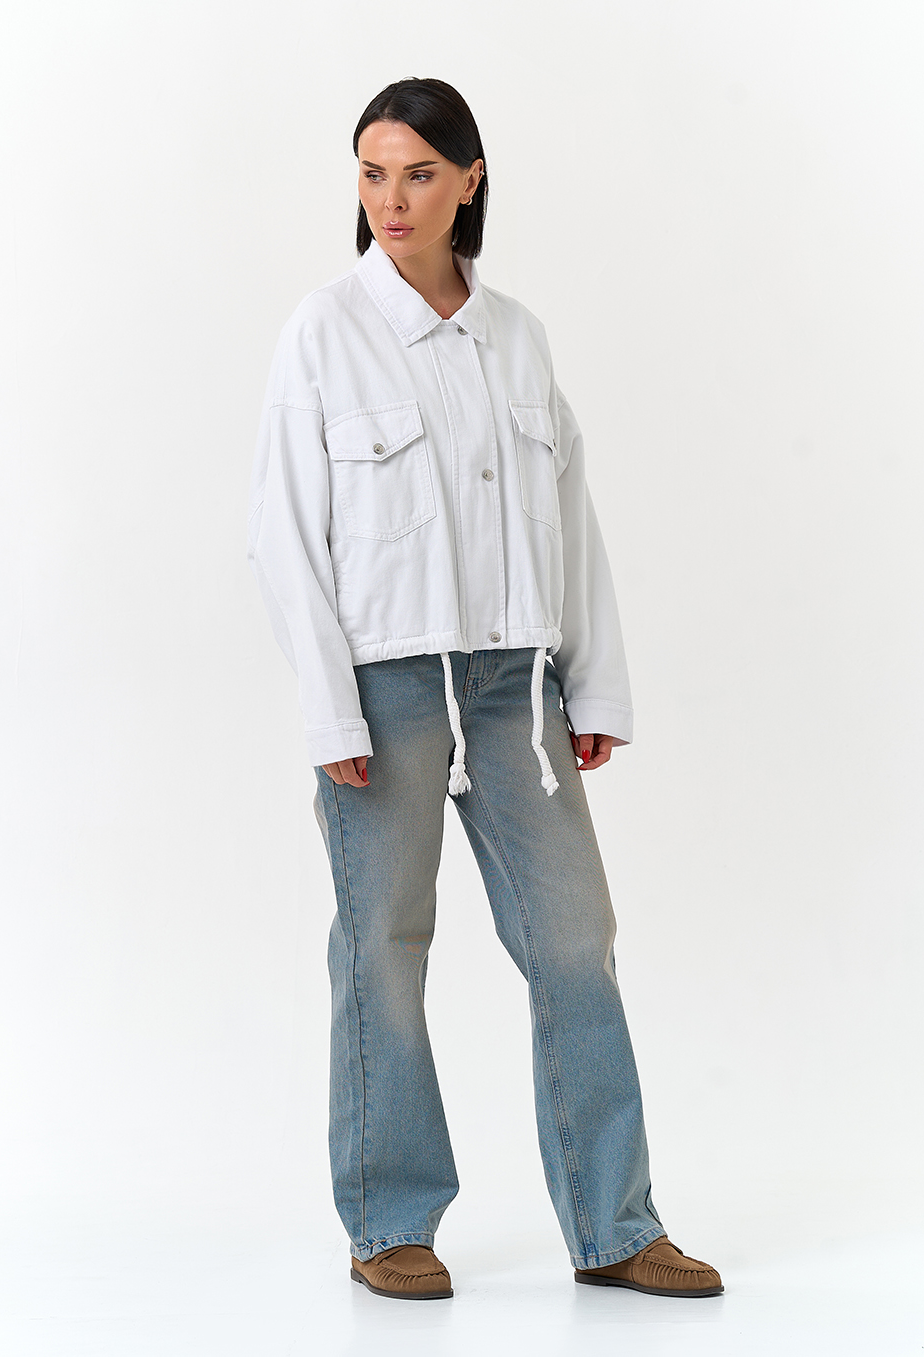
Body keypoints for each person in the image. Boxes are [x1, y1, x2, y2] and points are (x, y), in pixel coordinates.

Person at [247, 77, 722, 1302]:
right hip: (387, 688)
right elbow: (282, 535)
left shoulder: (516, 334)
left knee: (575, 944)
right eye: (370, 173)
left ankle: (614, 1224)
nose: (390, 199)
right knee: (383, 947)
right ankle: (390, 1219)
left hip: (514, 691)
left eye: (416, 173)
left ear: (467, 181)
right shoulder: (323, 330)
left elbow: (570, 512)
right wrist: (330, 707)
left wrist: (590, 685)